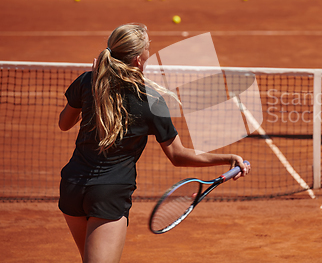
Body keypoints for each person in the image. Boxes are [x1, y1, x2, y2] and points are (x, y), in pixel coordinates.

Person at [58, 23, 250, 262]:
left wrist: (93, 87)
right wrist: (227, 158)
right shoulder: (151, 100)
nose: (150, 49)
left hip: (72, 186)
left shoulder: (87, 81)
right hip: (108, 194)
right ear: (139, 59)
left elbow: (64, 123)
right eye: (148, 46)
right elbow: (178, 155)